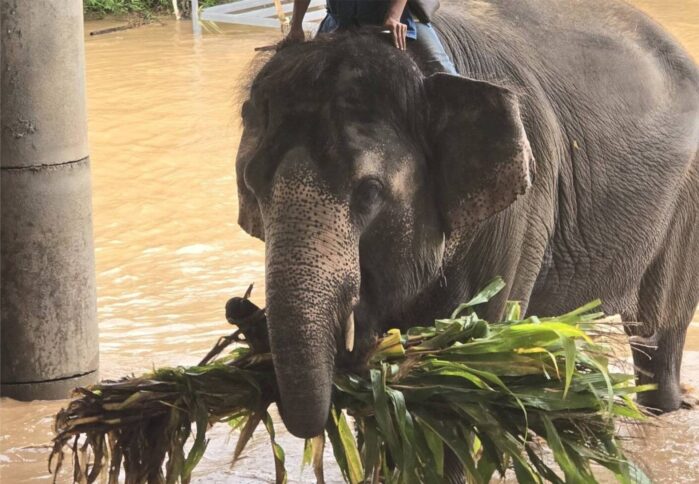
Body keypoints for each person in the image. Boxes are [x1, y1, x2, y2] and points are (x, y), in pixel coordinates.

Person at [286, 0, 458, 75]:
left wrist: (393, 16)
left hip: (389, 19)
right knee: (304, 75)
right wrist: (296, 26)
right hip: (341, 20)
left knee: (439, 66)